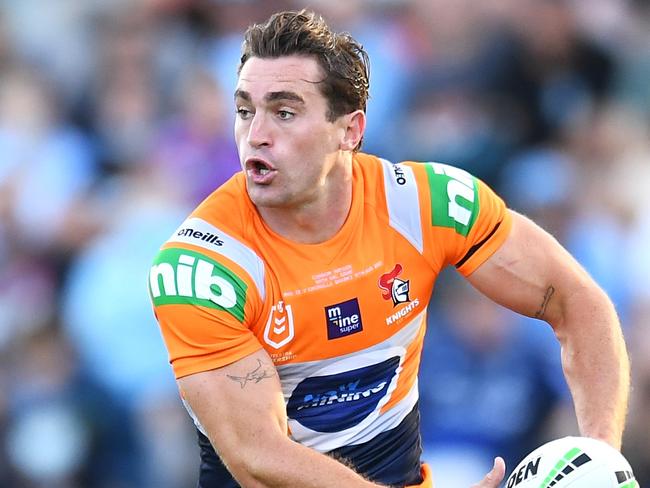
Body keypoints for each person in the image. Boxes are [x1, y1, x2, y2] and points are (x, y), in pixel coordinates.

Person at [148, 10, 630, 488]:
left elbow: (579, 302)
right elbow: (258, 458)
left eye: (285, 112)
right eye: (245, 110)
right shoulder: (205, 266)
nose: (256, 134)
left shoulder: (423, 205)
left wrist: (599, 462)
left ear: (351, 130)